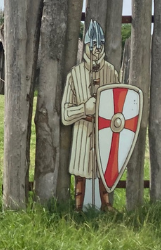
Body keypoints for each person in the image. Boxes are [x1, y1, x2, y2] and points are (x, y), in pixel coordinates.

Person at [61, 20, 118, 212]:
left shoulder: (111, 73)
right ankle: (78, 208)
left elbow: (119, 104)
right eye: (93, 44)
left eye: (99, 44)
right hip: (83, 131)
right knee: (82, 173)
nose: (96, 49)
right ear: (86, 45)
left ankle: (106, 204)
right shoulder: (74, 75)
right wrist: (84, 109)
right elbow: (66, 114)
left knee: (103, 169)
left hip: (105, 131)